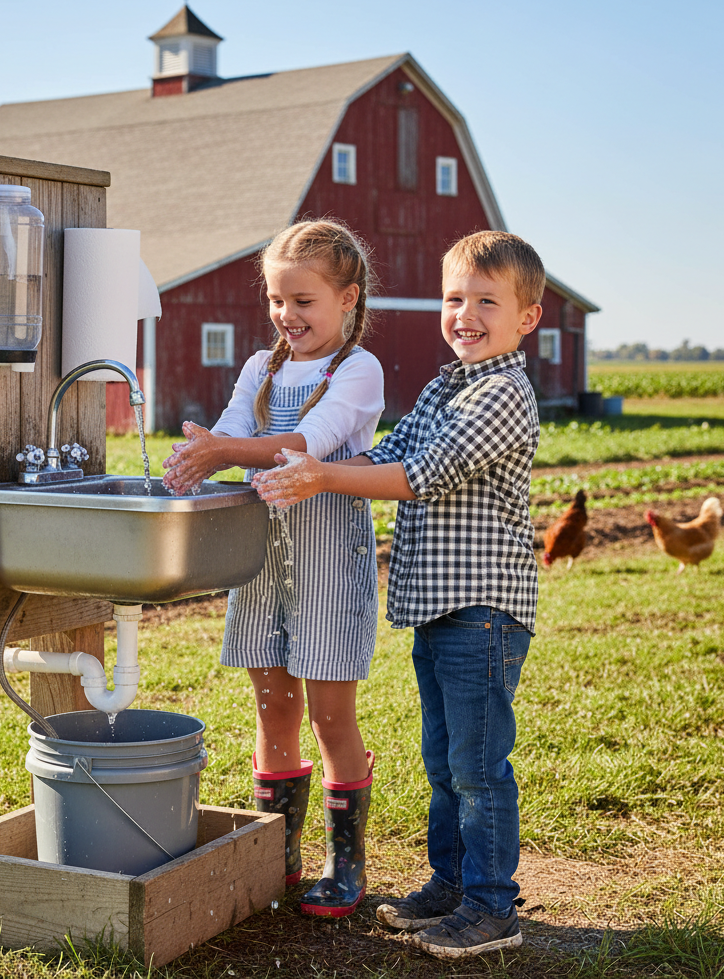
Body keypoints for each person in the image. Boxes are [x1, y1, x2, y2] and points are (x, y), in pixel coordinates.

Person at [252, 230, 544, 958]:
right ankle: (450, 886)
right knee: (445, 762)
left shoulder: (503, 393)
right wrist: (305, 454)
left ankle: (491, 907)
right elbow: (385, 453)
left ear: (527, 319)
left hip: (483, 610)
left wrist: (320, 476)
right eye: (454, 299)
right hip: (440, 608)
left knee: (479, 768)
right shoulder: (449, 384)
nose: (465, 313)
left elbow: (422, 473)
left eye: (486, 301)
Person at [162, 219, 385, 917]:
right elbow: (232, 429)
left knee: (328, 716)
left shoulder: (355, 370)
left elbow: (308, 445)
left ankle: (344, 865)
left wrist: (225, 449)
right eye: (276, 301)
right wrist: (203, 452)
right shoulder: (258, 369)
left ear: (347, 299)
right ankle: (279, 857)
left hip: (327, 562)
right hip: (260, 566)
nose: (287, 316)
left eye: (304, 302)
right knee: (273, 708)